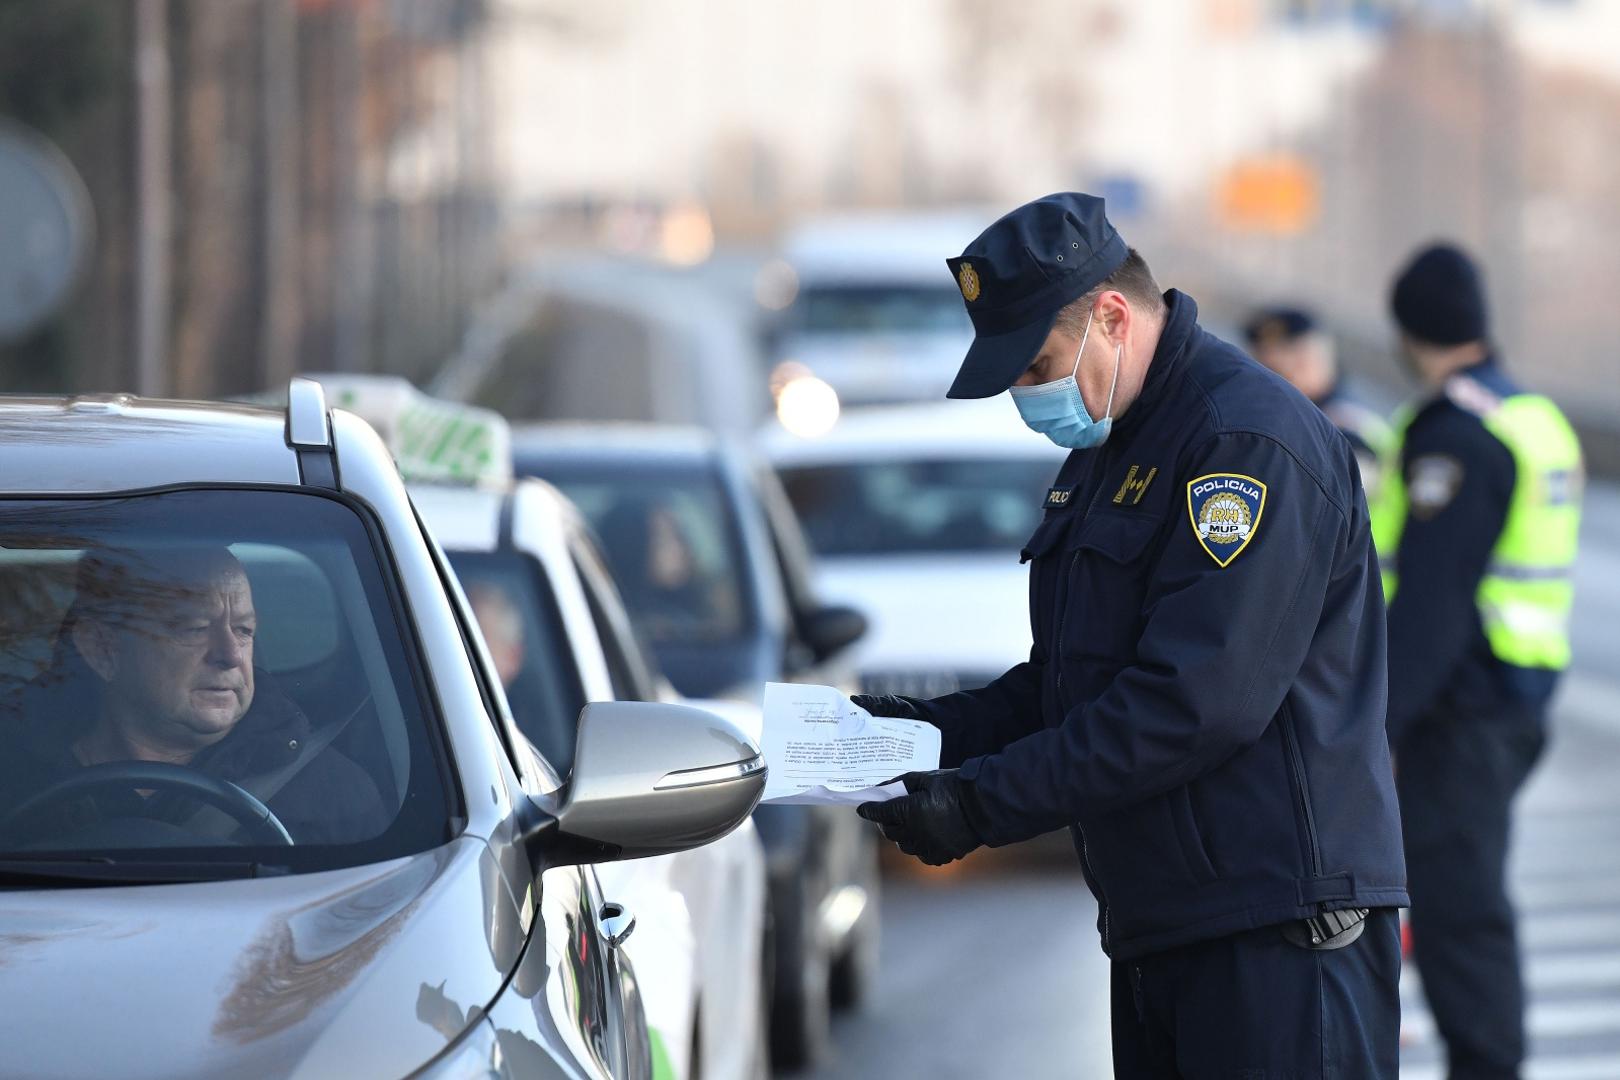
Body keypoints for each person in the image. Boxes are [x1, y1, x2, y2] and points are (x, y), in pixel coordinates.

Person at [852, 192, 1408, 1077]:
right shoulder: (1117, 443)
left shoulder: (1244, 444)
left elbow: (1192, 703)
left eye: (1037, 364)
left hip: (1275, 933)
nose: (1029, 397)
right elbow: (1069, 684)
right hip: (1170, 924)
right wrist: (908, 734)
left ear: (1112, 316)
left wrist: (979, 803)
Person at [1373, 243, 1582, 1080]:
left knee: (1462, 914)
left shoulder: (1456, 436)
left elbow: (1430, 607)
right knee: (1468, 902)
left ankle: (1489, 1068)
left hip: (1461, 712)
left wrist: (1373, 729)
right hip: (1515, 699)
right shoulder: (1531, 415)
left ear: (1407, 330)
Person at [0, 545, 387, 847]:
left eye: (244, 630)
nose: (231, 655)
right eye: (193, 628)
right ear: (103, 648)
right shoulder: (11, 777)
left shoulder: (334, 797)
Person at [1243, 305, 1394, 498]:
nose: (1288, 367)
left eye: (1298, 355)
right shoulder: (1281, 418)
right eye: (1268, 364)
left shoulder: (1349, 428)